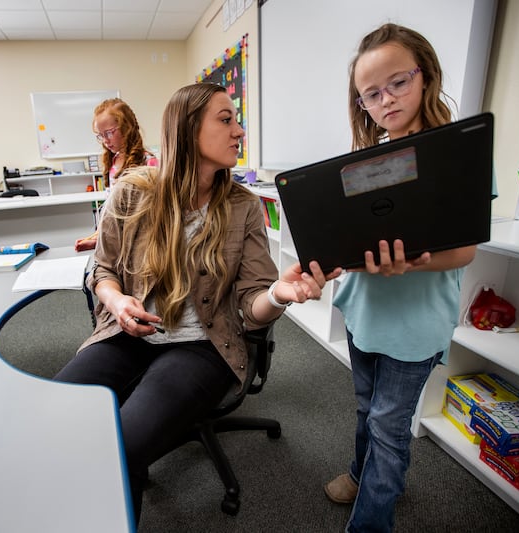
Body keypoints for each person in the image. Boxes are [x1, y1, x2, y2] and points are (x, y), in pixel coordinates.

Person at [54, 82, 341, 524]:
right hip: (128, 333)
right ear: (187, 130)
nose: (240, 131)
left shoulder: (242, 206)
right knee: (55, 413)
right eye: (226, 120)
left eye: (236, 120)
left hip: (202, 345)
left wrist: (278, 295)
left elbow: (250, 308)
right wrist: (116, 299)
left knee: (122, 444)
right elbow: (101, 270)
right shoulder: (131, 192)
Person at [322, 23, 479, 533]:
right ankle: (360, 473)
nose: (385, 100)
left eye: (398, 83)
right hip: (364, 311)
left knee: (390, 427)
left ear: (425, 76)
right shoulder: (361, 163)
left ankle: (371, 520)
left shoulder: (458, 155)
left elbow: (462, 251)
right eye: (371, 93)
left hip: (414, 325)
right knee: (368, 409)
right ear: (360, 102)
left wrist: (414, 260)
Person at [74, 98, 158, 252]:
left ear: (127, 128)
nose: (105, 141)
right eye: (100, 135)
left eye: (109, 133)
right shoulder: (113, 161)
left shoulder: (149, 162)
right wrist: (98, 236)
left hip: (142, 240)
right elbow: (110, 208)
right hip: (119, 237)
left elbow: (155, 210)